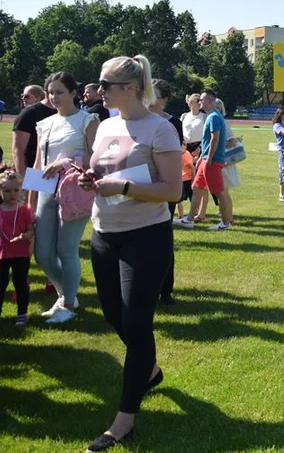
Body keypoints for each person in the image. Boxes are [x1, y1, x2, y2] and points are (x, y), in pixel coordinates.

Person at [78, 55, 182, 452]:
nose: (99, 91)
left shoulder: (160, 129)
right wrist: (88, 179)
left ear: (132, 88)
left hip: (146, 235)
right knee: (113, 315)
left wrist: (120, 188)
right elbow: (105, 171)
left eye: (106, 85)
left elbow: (172, 191)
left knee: (137, 326)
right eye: (100, 84)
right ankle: (150, 371)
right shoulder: (105, 125)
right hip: (104, 232)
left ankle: (123, 422)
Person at [33, 71, 99, 325]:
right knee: (42, 254)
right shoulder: (45, 123)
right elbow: (39, 164)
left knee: (66, 249)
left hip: (74, 192)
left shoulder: (87, 120)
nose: (54, 96)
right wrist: (29, 202)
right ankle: (65, 295)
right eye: (51, 92)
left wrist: (66, 163)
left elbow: (96, 158)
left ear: (73, 93)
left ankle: (68, 302)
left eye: (59, 92)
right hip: (46, 191)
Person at [148, 79, 182, 306]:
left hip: (163, 185)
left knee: (162, 238)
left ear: (165, 99)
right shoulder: (138, 120)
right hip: (140, 184)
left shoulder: (173, 123)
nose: (149, 100)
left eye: (154, 96)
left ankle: (165, 290)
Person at [185, 91, 234, 230]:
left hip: (211, 160)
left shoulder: (213, 117)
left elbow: (215, 138)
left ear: (211, 101)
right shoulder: (211, 116)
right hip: (205, 158)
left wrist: (210, 157)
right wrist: (202, 156)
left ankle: (225, 223)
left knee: (219, 192)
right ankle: (189, 219)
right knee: (196, 187)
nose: (200, 101)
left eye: (202, 99)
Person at [0, 168, 34, 327]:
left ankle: (22, 313)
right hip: (2, 252)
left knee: (20, 282)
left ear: (21, 190)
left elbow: (30, 229)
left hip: (20, 252)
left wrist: (26, 235)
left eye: (16, 190)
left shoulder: (24, 210)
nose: (12, 194)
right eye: (7, 191)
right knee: (1, 282)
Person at [12, 85, 55, 179]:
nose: (23, 98)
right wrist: (23, 179)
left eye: (26, 96)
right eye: (22, 96)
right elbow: (17, 151)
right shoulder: (27, 113)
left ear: (37, 97)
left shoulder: (61, 112)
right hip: (31, 169)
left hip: (52, 171)